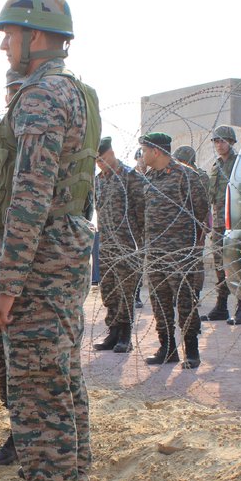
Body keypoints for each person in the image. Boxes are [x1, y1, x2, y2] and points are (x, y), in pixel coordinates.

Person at [0, 0, 98, 481]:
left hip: (38, 265)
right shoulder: (64, 91)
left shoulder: (43, 96)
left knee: (39, 399)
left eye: (10, 34)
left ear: (38, 38)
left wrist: (7, 284)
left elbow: (29, 195)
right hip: (56, 260)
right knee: (63, 390)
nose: (2, 44)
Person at [141, 132, 209, 369]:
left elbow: (201, 210)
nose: (142, 155)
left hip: (180, 252)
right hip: (155, 250)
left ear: (155, 151)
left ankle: (191, 350)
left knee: (185, 301)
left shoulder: (186, 176)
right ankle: (167, 348)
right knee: (160, 301)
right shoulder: (149, 177)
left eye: (144, 150)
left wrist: (188, 242)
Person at [0, 69, 24, 468]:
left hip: (20, 274)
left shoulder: (35, 142)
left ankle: (23, 436)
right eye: (11, 92)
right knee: (1, 361)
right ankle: (15, 431)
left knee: (22, 365)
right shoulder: (1, 145)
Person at [92, 136, 146, 354]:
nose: (101, 164)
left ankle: (125, 335)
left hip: (127, 243)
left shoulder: (130, 177)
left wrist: (141, 244)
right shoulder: (98, 180)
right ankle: (112, 332)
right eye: (97, 161)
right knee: (109, 289)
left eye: (103, 159)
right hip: (105, 243)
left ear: (112, 153)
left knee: (126, 290)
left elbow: (142, 211)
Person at [201, 125, 241, 324]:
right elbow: (210, 196)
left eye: (222, 141)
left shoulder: (239, 163)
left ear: (231, 142)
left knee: (237, 262)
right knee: (219, 264)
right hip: (218, 223)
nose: (218, 144)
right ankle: (222, 306)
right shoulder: (216, 165)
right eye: (216, 141)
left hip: (235, 221)